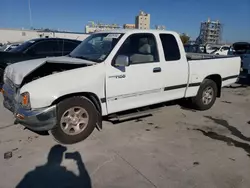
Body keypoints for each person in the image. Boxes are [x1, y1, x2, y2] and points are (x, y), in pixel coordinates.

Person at [16, 145, 91, 188]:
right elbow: (86, 184)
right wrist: (79, 161)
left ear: (49, 157)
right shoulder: (67, 176)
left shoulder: (31, 176)